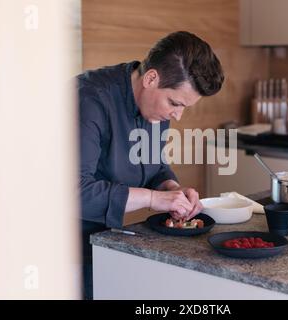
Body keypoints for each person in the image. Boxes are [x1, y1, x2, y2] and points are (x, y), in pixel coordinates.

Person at [77, 31, 224, 299]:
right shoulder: (88, 100)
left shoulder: (154, 103)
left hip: (103, 239)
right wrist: (154, 199)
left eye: (184, 108)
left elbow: (152, 164)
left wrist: (172, 189)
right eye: (175, 103)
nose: (177, 116)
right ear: (151, 78)